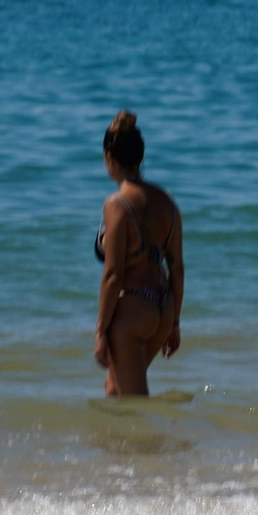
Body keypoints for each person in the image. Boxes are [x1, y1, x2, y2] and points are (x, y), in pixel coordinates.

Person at [94, 111, 184, 396]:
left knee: (134, 405)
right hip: (163, 309)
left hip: (133, 313)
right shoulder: (167, 202)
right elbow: (177, 268)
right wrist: (174, 323)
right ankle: (109, 443)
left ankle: (159, 441)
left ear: (110, 157)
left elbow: (113, 276)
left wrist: (100, 332)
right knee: (114, 390)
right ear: (140, 157)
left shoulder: (117, 204)